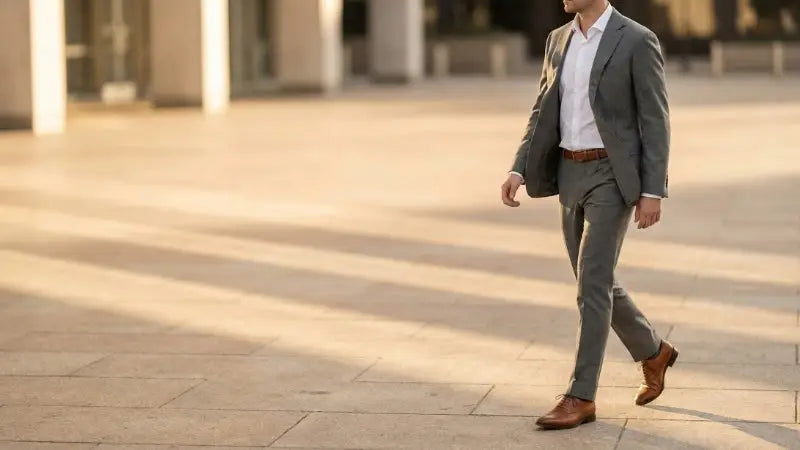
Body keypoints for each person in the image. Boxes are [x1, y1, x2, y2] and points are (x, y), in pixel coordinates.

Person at [500, 0, 678, 430]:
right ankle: (654, 352)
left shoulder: (636, 39)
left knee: (591, 285)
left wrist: (652, 190)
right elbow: (542, 109)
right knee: (592, 279)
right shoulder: (558, 40)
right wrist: (518, 166)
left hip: (612, 176)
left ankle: (581, 396)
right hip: (568, 171)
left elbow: (655, 119)